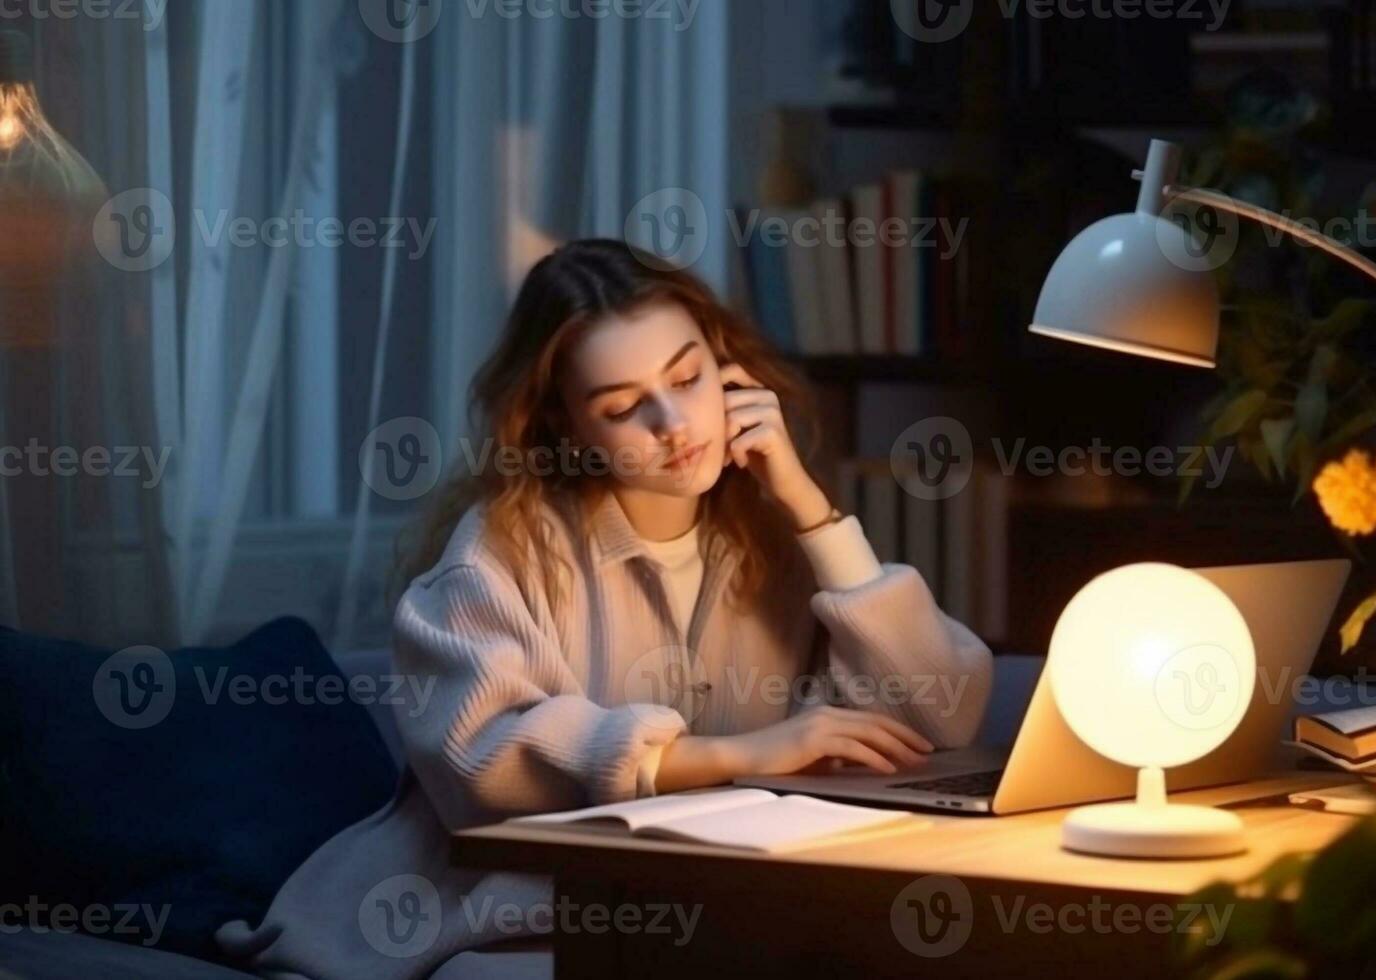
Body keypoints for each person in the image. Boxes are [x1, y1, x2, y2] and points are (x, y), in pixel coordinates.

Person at [217, 238, 994, 979]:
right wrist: (742, 753)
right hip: (490, 912)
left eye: (688, 379)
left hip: (719, 904)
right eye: (625, 407)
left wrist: (811, 510)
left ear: (728, 368)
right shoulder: (506, 547)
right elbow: (482, 762)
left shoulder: (777, 536)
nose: (674, 426)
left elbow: (940, 718)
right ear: (567, 425)